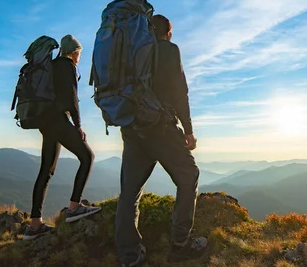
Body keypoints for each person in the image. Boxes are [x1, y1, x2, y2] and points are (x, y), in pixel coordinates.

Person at [115, 15, 207, 266]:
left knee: (130, 193)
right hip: (161, 128)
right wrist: (188, 131)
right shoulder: (169, 49)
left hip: (132, 129)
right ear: (167, 33)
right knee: (189, 176)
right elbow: (180, 92)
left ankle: (130, 257)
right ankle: (180, 245)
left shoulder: (130, 53)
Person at [23, 34, 101, 240]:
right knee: (87, 157)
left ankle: (35, 225)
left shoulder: (51, 65)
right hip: (58, 120)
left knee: (46, 170)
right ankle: (75, 207)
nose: (80, 57)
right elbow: (71, 98)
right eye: (80, 54)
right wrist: (78, 126)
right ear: (74, 52)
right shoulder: (67, 66)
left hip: (45, 122)